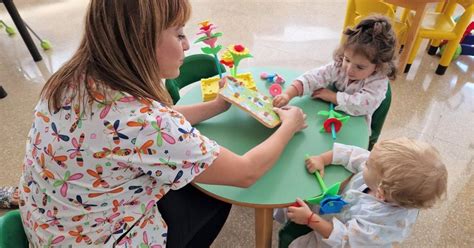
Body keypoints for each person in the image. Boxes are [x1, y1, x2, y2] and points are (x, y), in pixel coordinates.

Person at [18, 1, 307, 247]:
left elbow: (155, 128)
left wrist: (217, 105)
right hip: (100, 239)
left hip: (49, 225)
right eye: (179, 33)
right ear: (141, 41)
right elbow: (245, 173)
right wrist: (289, 126)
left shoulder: (73, 77)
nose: (187, 44)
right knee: (218, 196)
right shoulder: (144, 120)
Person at [276, 137, 448, 247]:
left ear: (380, 192)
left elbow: (345, 240)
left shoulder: (381, 222)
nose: (365, 160)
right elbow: (351, 154)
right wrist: (322, 159)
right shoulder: (383, 176)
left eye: (368, 164)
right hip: (341, 212)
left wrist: (310, 220)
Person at [273, 15, 397, 130]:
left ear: (378, 66)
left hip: (355, 127)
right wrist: (288, 94)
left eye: (360, 67)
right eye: (347, 60)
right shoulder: (339, 65)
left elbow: (362, 105)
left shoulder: (378, 81)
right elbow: (315, 76)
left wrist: (332, 96)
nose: (349, 69)